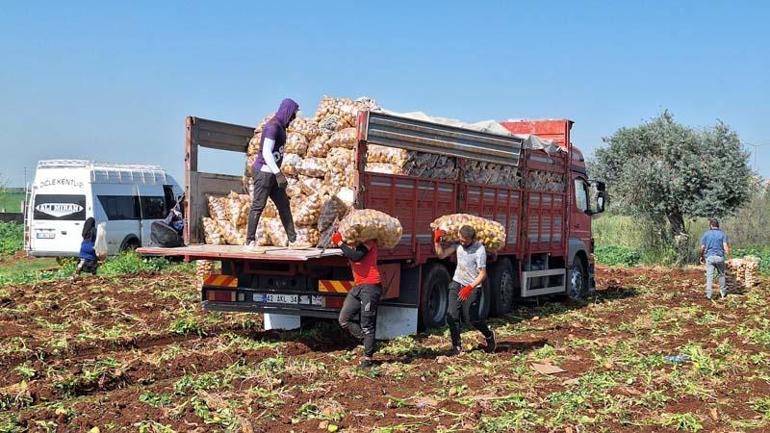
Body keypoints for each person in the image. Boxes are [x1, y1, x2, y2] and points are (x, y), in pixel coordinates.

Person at [246, 98, 299, 249]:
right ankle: (250, 241)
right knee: (258, 206)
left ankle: (293, 240)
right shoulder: (272, 127)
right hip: (264, 172)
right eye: (292, 115)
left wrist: (277, 173)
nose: (293, 118)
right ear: (287, 112)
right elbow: (267, 152)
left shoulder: (282, 127)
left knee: (284, 205)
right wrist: (278, 173)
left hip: (274, 174)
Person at [434, 225, 496, 355]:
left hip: (472, 286)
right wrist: (437, 242)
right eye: (460, 240)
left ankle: (489, 335)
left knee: (472, 319)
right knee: (452, 315)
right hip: (457, 282)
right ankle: (457, 347)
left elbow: (482, 274)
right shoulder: (458, 245)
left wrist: (470, 287)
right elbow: (441, 255)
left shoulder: (479, 250)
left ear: (472, 239)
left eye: (464, 241)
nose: (462, 242)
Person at [332, 231, 382, 368]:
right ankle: (368, 342)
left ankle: (368, 358)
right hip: (358, 287)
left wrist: (340, 243)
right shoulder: (355, 244)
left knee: (367, 324)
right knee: (344, 319)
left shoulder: (369, 242)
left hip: (371, 287)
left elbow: (356, 256)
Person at [699, 218, 731, 300]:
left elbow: (702, 247)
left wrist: (701, 256)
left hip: (709, 258)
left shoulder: (706, 234)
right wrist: (729, 256)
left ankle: (709, 295)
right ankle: (723, 294)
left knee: (709, 277)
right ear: (718, 225)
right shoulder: (723, 234)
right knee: (722, 275)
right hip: (720, 258)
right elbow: (725, 247)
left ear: (711, 225)